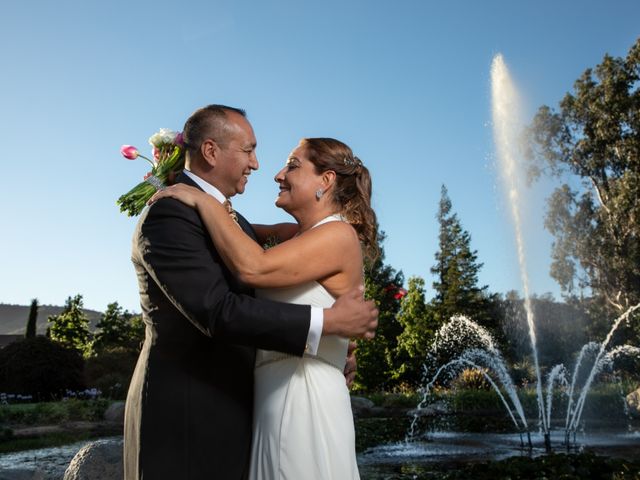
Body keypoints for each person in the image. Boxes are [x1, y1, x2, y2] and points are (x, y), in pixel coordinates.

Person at [124, 105, 378, 480]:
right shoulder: (177, 213)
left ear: (325, 180)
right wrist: (330, 326)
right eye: (249, 151)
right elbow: (220, 304)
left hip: (295, 401)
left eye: (291, 165)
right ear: (211, 151)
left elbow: (253, 267)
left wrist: (335, 341)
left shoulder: (331, 234)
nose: (263, 167)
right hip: (201, 414)